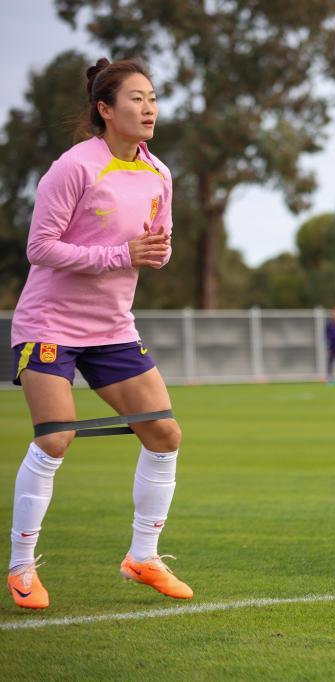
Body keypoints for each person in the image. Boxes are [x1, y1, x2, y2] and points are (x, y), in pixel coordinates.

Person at [7, 57, 192, 609]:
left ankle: (144, 556)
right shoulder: (74, 167)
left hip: (112, 326)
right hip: (49, 324)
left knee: (165, 435)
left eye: (153, 97)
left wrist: (155, 253)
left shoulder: (159, 172)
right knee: (56, 437)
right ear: (105, 110)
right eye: (135, 98)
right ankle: (20, 567)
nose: (149, 107)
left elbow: (156, 238)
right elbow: (39, 247)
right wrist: (120, 254)